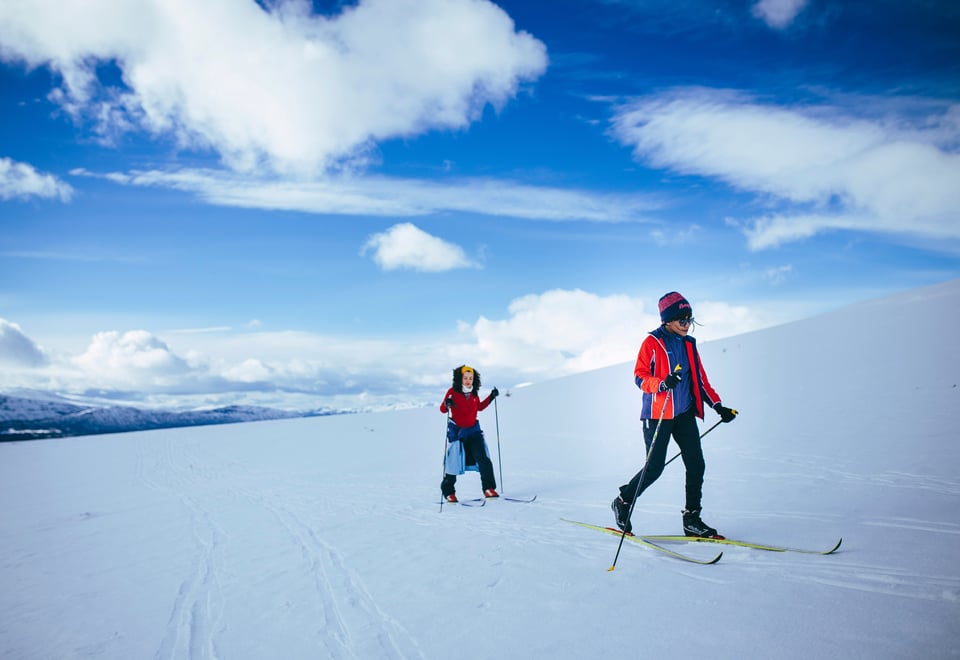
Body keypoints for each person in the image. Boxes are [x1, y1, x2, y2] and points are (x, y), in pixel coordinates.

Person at [611, 292, 738, 537]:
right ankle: (624, 500)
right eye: (682, 320)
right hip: (658, 415)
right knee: (655, 468)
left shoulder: (689, 344)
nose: (687, 324)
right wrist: (662, 383)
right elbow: (639, 377)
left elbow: (700, 380)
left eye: (690, 319)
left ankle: (692, 518)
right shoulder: (652, 343)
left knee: (696, 464)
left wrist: (718, 406)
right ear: (667, 320)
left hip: (683, 414)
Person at [439, 365, 500, 502]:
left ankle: (488, 488)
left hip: (473, 432)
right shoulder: (452, 392)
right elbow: (443, 409)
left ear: (474, 379)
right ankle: (449, 493)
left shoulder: (473, 393)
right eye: (465, 378)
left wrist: (491, 397)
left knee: (483, 459)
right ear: (460, 379)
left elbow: (479, 407)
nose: (468, 381)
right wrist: (447, 403)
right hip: (457, 434)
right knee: (453, 463)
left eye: (470, 378)